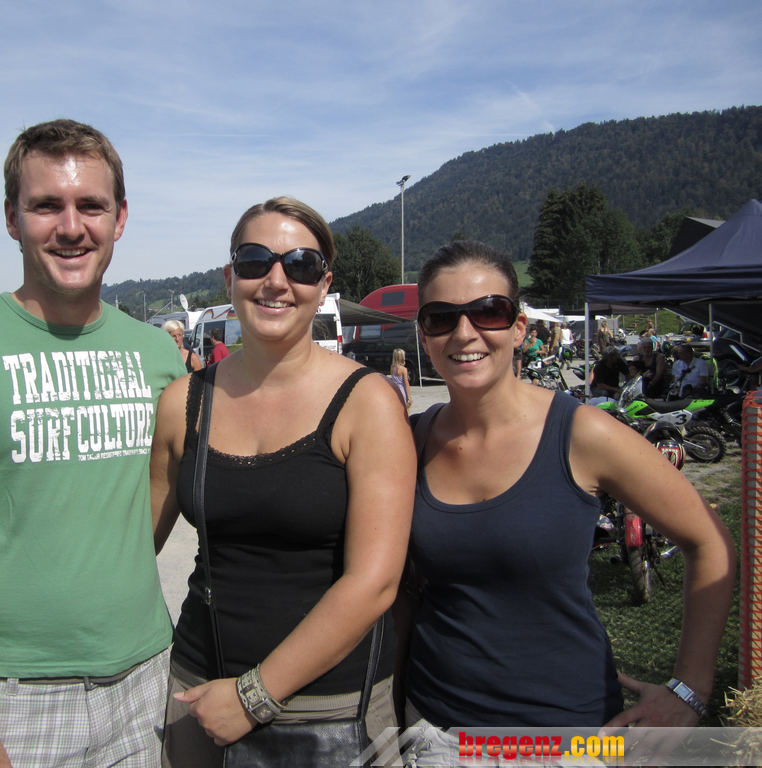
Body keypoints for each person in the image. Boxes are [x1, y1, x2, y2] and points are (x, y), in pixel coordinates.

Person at [0, 120, 186, 768]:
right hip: (9, 694)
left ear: (120, 218)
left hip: (145, 679)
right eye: (47, 205)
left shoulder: (158, 355)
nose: (71, 227)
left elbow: (159, 498)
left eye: (91, 206)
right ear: (11, 218)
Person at [400, 240, 735, 763]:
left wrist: (690, 690)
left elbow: (709, 542)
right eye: (441, 317)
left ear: (519, 328)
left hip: (565, 733)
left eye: (489, 311)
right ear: (424, 336)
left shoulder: (581, 433)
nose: (464, 333)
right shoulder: (410, 440)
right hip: (435, 732)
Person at [150, 197, 415, 768]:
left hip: (329, 706)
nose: (276, 280)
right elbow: (131, 545)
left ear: (324, 285)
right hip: (198, 687)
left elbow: (374, 582)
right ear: (230, 278)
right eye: (255, 261)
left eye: (300, 265)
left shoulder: (367, 403)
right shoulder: (184, 402)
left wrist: (254, 696)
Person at [389, 348, 412, 414]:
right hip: (402, 390)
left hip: (395, 389)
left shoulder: (392, 367)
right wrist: (409, 396)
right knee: (406, 409)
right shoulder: (403, 369)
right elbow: (406, 383)